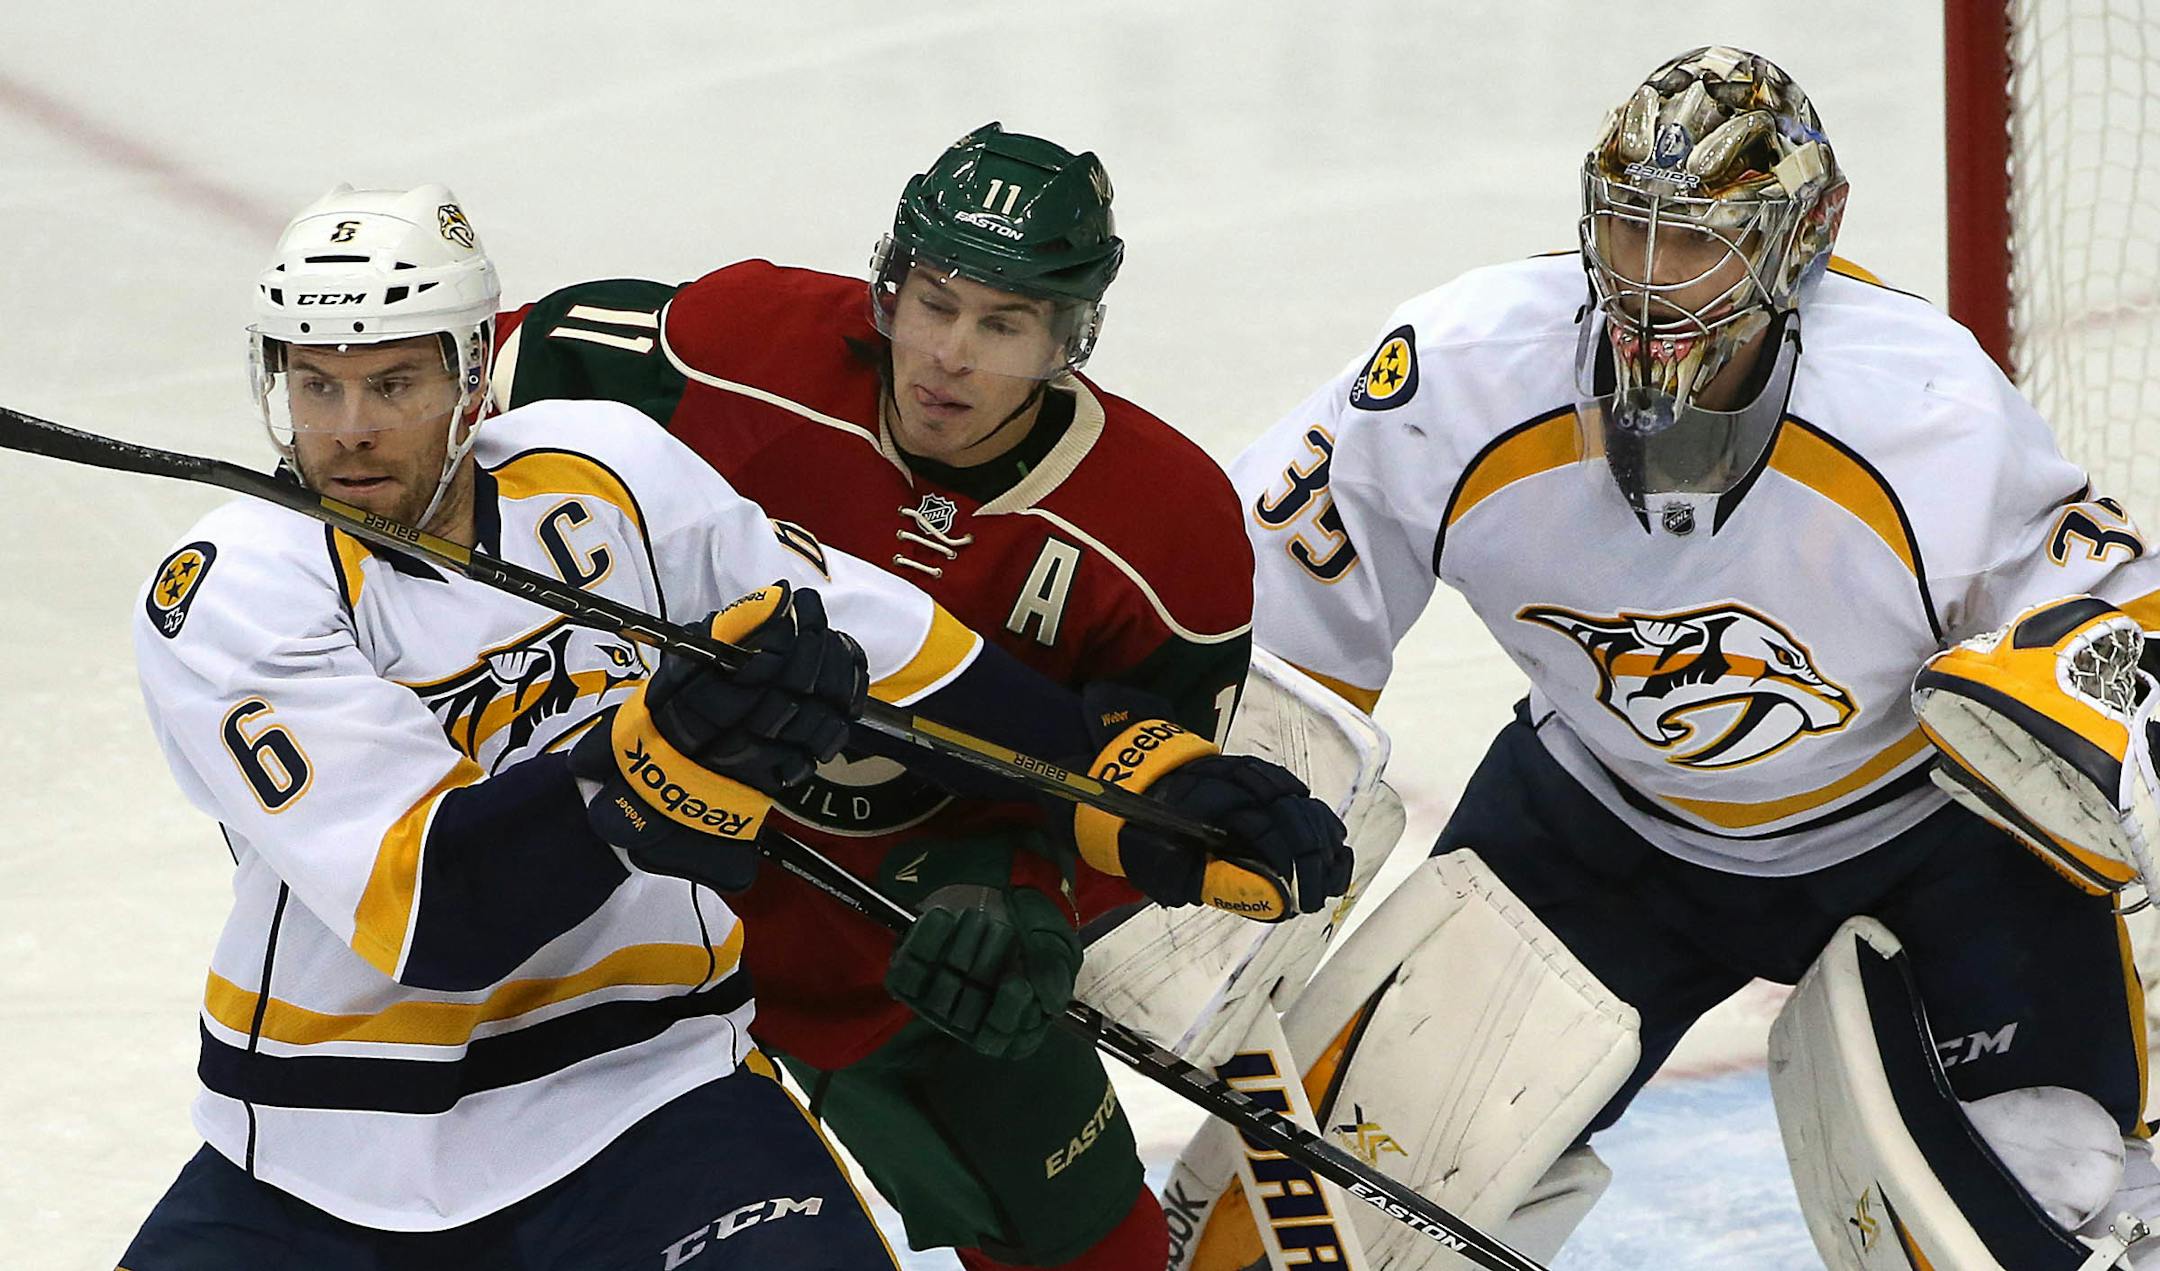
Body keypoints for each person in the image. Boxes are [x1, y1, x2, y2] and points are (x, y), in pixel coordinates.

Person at [120, 183, 1348, 1270]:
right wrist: (652, 764)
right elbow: (439, 911)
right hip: (332, 1143)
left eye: (393, 383)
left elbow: (879, 638)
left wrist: (1126, 787)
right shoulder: (231, 590)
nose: (346, 428)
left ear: (470, 373)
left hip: (647, 1097)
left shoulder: (600, 466)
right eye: (316, 383)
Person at [1225, 46, 2160, 1267]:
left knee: (2058, 1199)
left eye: (1701, 241)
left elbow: (2111, 635)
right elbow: (1264, 637)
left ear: (1802, 240)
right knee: (1319, 1220)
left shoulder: (1924, 408)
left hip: (1929, 845)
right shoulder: (1457, 371)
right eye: (1632, 228)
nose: (1652, 279)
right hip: (1599, 827)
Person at [486, 123, 1279, 1270]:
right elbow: (479, 377)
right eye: (933, 302)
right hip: (643, 906)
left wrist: (1031, 904)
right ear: (889, 283)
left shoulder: (1169, 531)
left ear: (1071, 338)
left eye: (1002, 324)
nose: (948, 354)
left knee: (1100, 1253)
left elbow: (1146, 801)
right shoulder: (741, 344)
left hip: (917, 954)